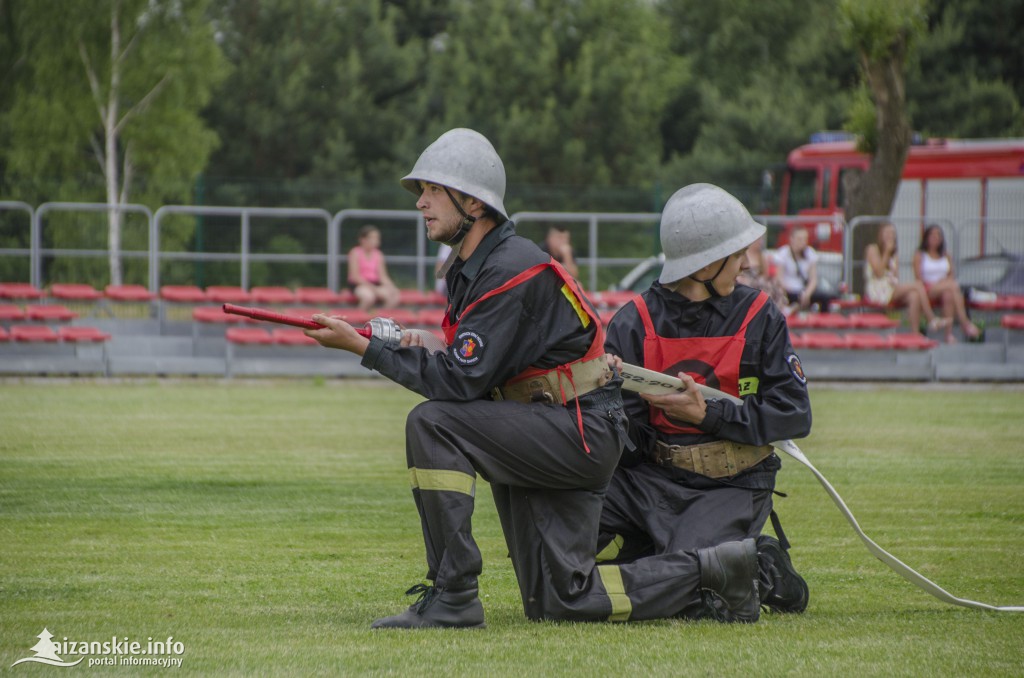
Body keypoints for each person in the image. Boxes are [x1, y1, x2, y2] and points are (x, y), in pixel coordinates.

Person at [305, 128, 634, 628]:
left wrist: (364, 348)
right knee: (561, 602)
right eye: (422, 191)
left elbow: (460, 383)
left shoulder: (509, 269)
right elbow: (480, 364)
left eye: (433, 190)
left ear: (474, 204)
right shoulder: (477, 266)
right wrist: (423, 342)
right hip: (557, 421)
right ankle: (718, 570)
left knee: (433, 422)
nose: (421, 202)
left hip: (578, 429)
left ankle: (455, 594)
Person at [600, 183, 813, 622]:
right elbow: (631, 438)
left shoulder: (760, 316)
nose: (747, 265)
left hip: (730, 484)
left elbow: (794, 412)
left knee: (696, 584)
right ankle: (661, 554)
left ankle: (761, 567)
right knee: (557, 534)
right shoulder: (633, 322)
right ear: (707, 263)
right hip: (650, 480)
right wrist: (607, 396)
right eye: (738, 256)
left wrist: (709, 415)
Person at [864, 222, 947, 334]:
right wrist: (887, 252)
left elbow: (896, 277)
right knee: (917, 285)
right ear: (881, 235)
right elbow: (879, 273)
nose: (890, 236)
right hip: (877, 289)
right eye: (887, 233)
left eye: (893, 233)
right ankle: (931, 318)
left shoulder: (895, 254)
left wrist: (894, 274)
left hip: (891, 287)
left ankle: (915, 333)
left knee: (914, 296)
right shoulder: (872, 249)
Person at [913, 224, 981, 343]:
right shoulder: (920, 255)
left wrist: (944, 283)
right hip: (927, 288)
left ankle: (948, 334)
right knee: (953, 285)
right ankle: (965, 323)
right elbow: (918, 278)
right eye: (932, 235)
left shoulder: (946, 255)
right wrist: (940, 283)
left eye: (938, 236)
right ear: (926, 238)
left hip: (945, 287)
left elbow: (951, 274)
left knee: (949, 294)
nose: (935, 238)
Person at [774, 227, 835, 312]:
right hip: (789, 291)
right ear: (792, 239)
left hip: (804, 290)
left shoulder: (810, 253)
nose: (803, 242)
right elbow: (779, 278)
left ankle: (824, 322)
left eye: (805, 239)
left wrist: (807, 293)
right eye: (799, 239)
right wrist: (785, 290)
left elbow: (813, 279)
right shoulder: (783, 253)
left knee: (824, 297)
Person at [347, 225, 400, 311]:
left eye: (377, 238)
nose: (376, 241)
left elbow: (382, 276)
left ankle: (380, 319)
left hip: (374, 284)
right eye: (372, 238)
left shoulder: (378, 254)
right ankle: (358, 320)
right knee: (368, 297)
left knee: (394, 297)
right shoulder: (355, 253)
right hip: (359, 285)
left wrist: (392, 287)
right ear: (363, 239)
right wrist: (374, 289)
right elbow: (355, 276)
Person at [736, 234, 788, 311]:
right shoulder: (744, 255)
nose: (760, 242)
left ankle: (777, 309)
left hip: (759, 282)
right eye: (758, 240)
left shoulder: (761, 256)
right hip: (746, 282)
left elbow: (765, 275)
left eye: (760, 240)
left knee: (774, 286)